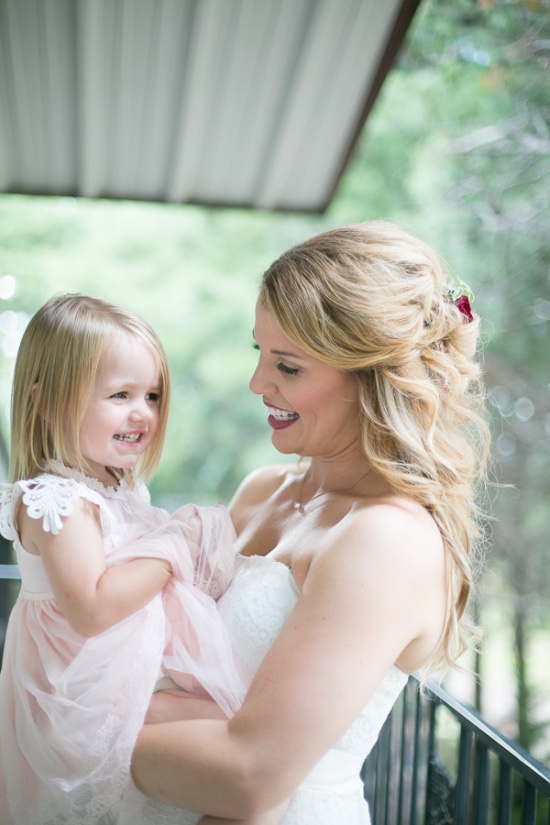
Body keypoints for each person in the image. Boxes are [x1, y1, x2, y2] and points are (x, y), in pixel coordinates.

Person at [126, 220, 490, 825]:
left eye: (288, 367)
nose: (256, 384)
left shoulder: (387, 538)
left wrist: (62, 734)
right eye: (258, 353)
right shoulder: (261, 491)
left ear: (374, 379)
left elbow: (250, 777)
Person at [0, 294, 248, 825]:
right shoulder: (58, 502)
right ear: (46, 402)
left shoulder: (121, 490)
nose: (144, 413)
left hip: (117, 685)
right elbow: (92, 607)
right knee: (243, 727)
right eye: (120, 394)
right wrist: (173, 548)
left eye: (153, 395)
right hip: (76, 702)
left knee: (248, 733)